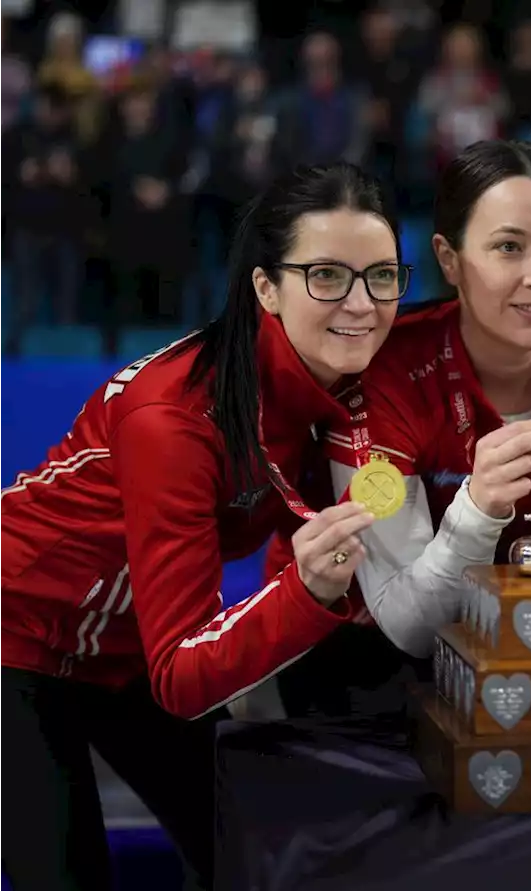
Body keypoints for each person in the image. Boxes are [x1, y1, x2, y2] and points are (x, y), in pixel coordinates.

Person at [0, 162, 403, 889]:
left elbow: (298, 522)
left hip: (123, 648)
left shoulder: (334, 378)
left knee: (250, 849)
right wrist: (306, 592)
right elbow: (183, 676)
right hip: (16, 632)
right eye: (328, 276)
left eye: (381, 276)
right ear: (265, 288)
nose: (361, 302)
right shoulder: (175, 420)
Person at [312, 139, 531, 661]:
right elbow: (408, 628)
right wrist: (477, 511)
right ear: (449, 259)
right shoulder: (386, 374)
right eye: (509, 247)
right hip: (367, 658)